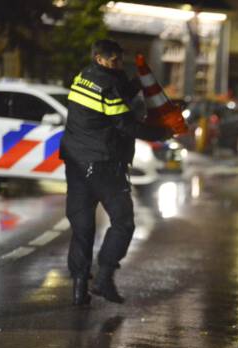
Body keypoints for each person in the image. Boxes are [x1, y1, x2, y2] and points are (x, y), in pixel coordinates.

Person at [61, 39, 171, 307]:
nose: (119, 64)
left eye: (121, 60)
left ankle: (78, 288)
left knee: (82, 227)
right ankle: (104, 277)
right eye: (114, 60)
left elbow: (116, 92)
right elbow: (126, 124)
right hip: (104, 165)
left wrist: (138, 80)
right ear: (100, 59)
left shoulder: (84, 77)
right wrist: (161, 133)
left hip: (76, 164)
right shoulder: (107, 86)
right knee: (123, 222)